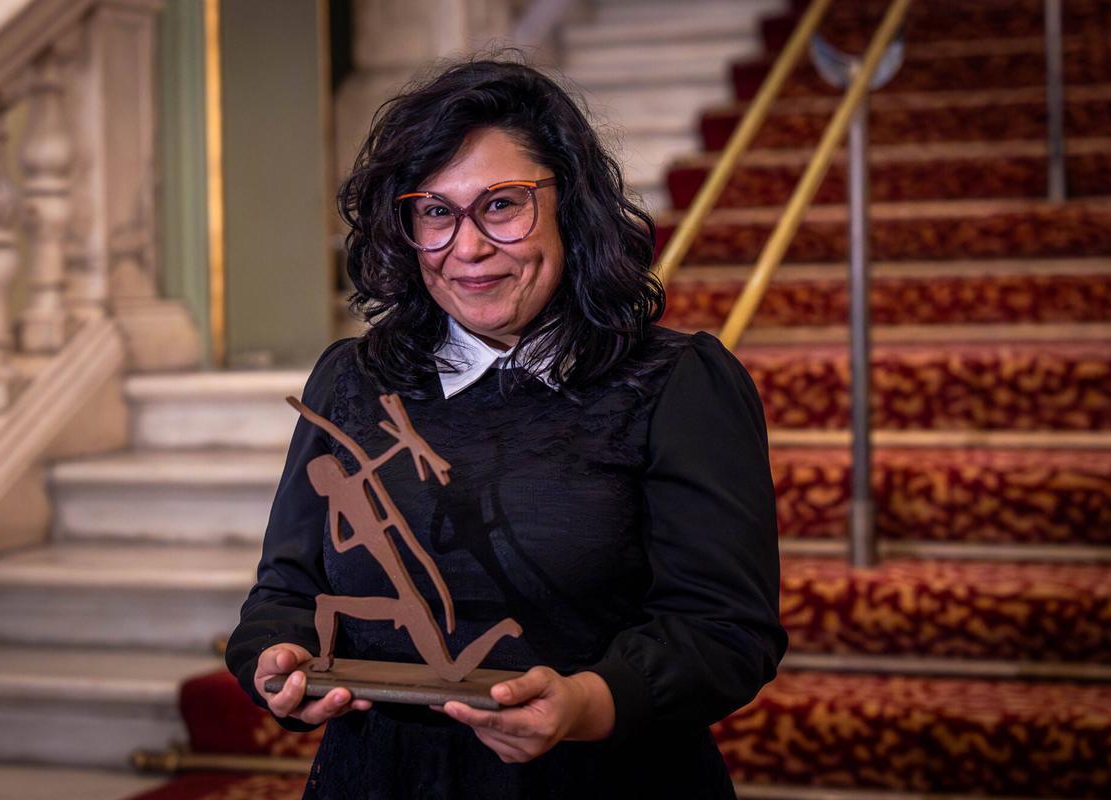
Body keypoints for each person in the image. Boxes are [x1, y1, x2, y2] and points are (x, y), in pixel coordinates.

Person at [225, 56, 787, 799]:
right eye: (434, 211)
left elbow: (724, 630)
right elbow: (285, 591)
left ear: (571, 205)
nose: (467, 248)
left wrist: (587, 703)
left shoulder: (676, 384)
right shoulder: (351, 381)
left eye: (501, 205)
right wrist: (278, 658)